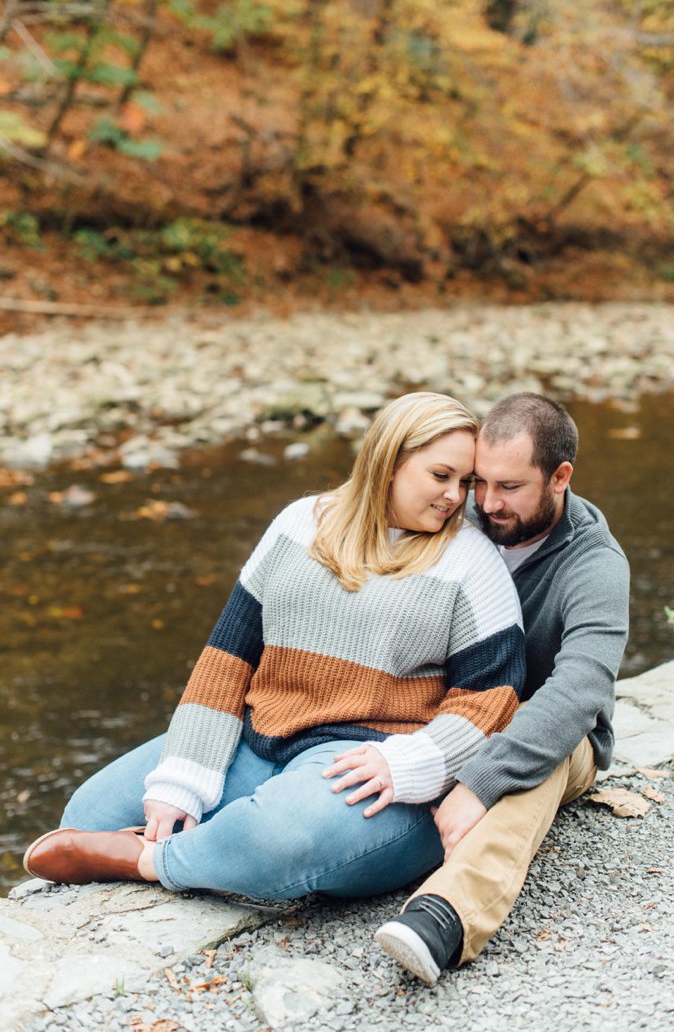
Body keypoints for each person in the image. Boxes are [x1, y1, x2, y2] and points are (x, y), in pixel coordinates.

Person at [23, 392, 526, 901]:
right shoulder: (299, 524)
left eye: (465, 483)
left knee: (278, 838)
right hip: (260, 734)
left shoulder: (470, 560)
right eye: (441, 476)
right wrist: (183, 776)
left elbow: (493, 697)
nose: (456, 497)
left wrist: (414, 761)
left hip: (375, 763)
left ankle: (151, 860)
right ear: (388, 462)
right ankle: (219, 855)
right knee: (90, 814)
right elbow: (227, 660)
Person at [374, 393, 630, 985]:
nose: (487, 503)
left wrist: (480, 781)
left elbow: (580, 688)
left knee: (549, 749)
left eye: (509, 487)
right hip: (452, 713)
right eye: (479, 482)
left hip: (553, 733)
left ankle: (446, 917)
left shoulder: (595, 565)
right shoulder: (457, 518)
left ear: (560, 477)